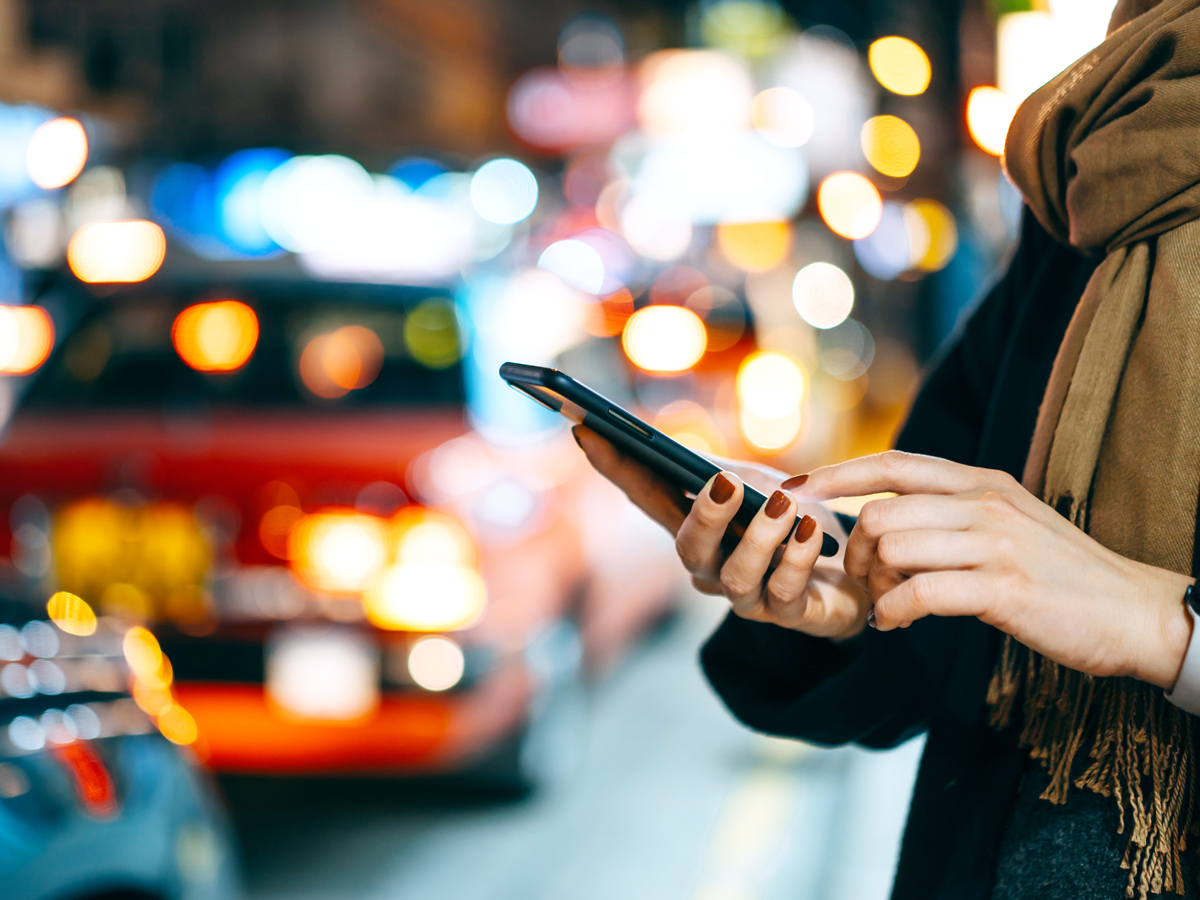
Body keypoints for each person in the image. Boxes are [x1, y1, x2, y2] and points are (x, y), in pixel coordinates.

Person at [574, 1, 1200, 897]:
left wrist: (1167, 628)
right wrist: (855, 595)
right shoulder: (1094, 164)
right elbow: (968, 637)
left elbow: (1085, 597)